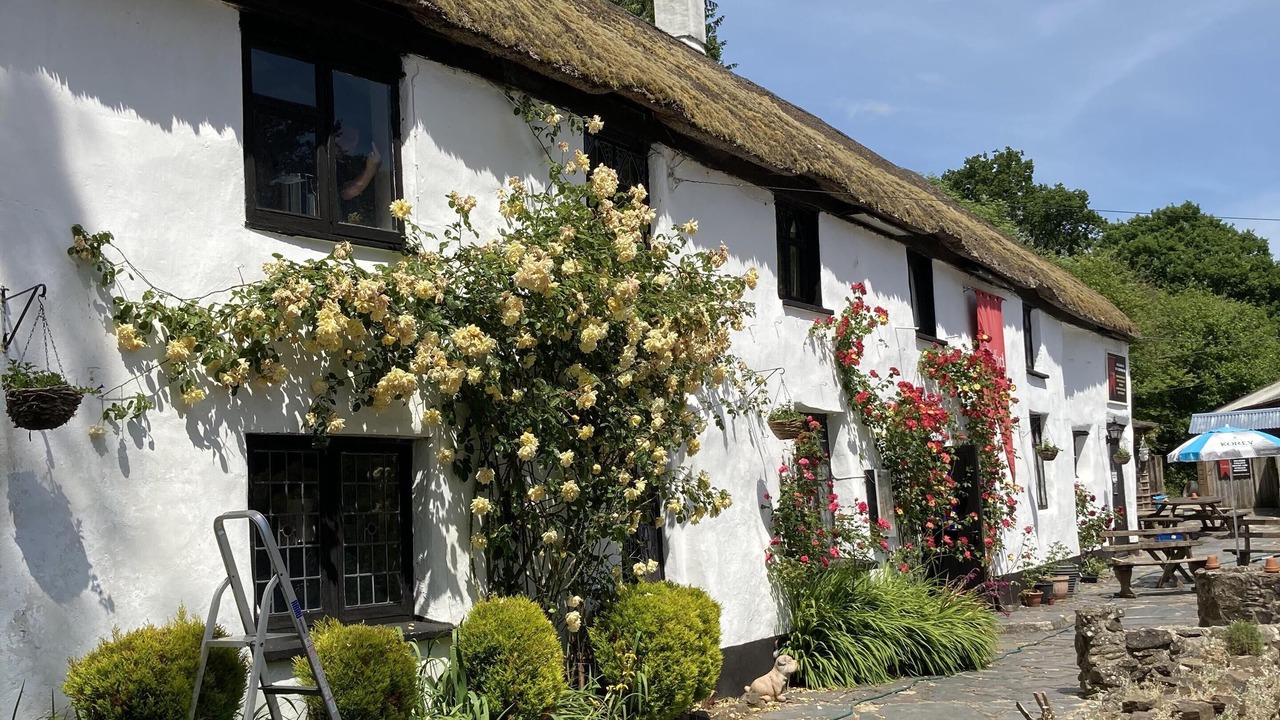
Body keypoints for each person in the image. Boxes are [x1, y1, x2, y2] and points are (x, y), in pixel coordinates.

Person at [333, 122, 381, 226]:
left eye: (351, 140)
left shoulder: (348, 164)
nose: (341, 141)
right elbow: (347, 193)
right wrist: (370, 170)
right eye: (340, 135)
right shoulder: (331, 162)